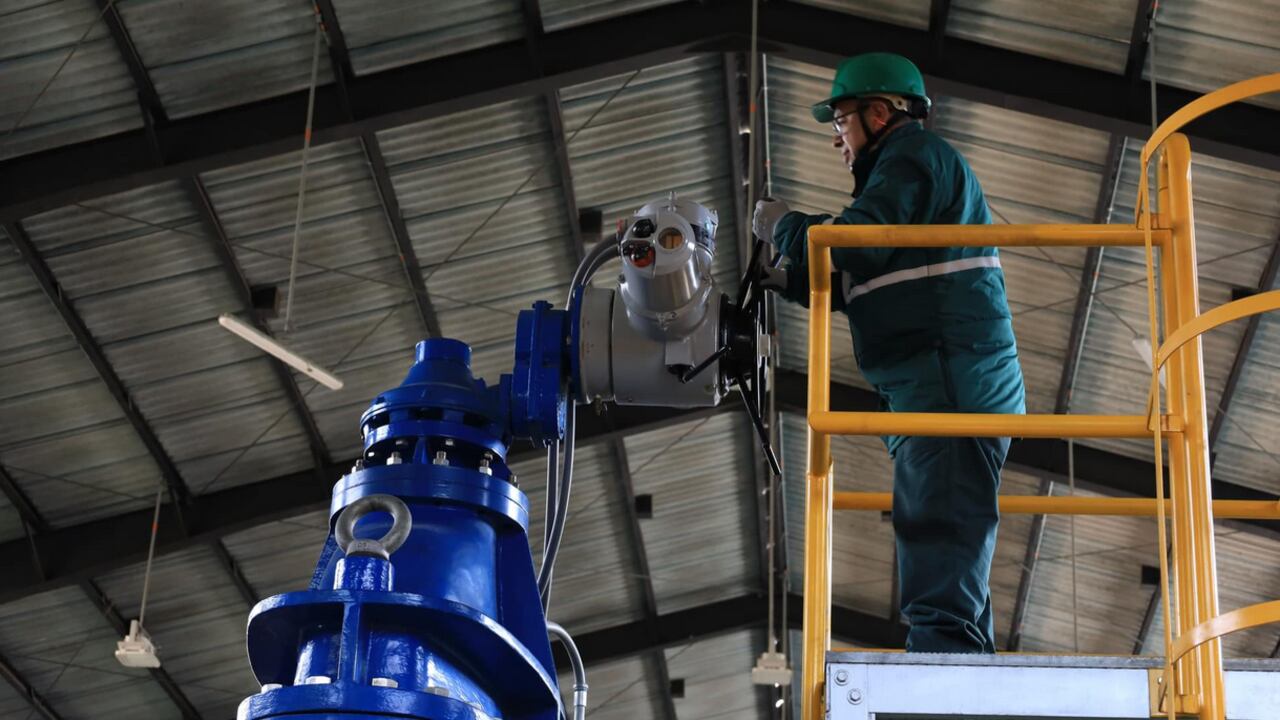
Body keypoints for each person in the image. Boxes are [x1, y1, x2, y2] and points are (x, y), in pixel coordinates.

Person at [753, 53, 1025, 653]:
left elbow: (860, 244)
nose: (838, 141)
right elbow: (876, 280)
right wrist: (792, 281)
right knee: (952, 556)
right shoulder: (912, 180)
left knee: (939, 544)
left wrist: (787, 229)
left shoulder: (911, 158)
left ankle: (939, 689)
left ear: (880, 114)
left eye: (841, 123)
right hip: (945, 389)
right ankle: (961, 678)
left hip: (948, 392)